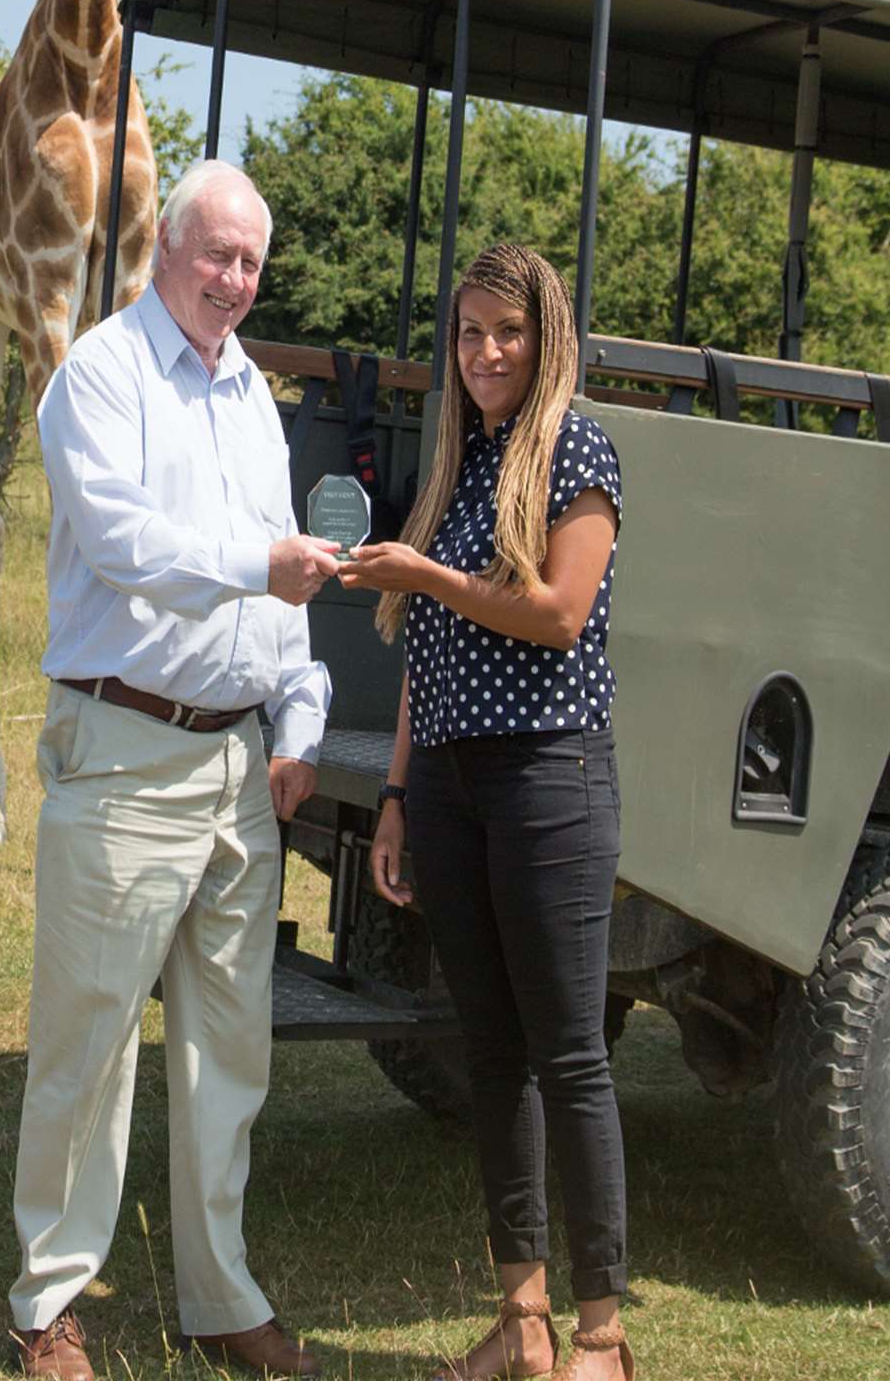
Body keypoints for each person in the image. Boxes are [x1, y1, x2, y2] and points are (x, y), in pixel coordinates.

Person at [9, 160, 340, 1381]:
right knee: (89, 1042)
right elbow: (128, 544)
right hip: (129, 748)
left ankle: (220, 1298)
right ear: (163, 248)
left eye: (253, 262)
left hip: (240, 770)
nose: (236, 280)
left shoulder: (256, 393)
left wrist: (298, 718)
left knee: (229, 1050)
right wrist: (265, 564)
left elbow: (286, 585)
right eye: (217, 255)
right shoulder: (100, 374)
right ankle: (48, 1302)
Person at [340, 244, 633, 1381]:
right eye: (468, 334)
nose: (486, 353)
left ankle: (601, 1342)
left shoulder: (578, 448)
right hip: (455, 788)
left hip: (549, 782)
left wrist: (429, 577)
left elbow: (559, 613)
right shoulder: (465, 461)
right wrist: (404, 794)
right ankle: (521, 1324)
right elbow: (432, 650)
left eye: (505, 331)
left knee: (571, 1059)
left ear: (543, 332)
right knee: (492, 1052)